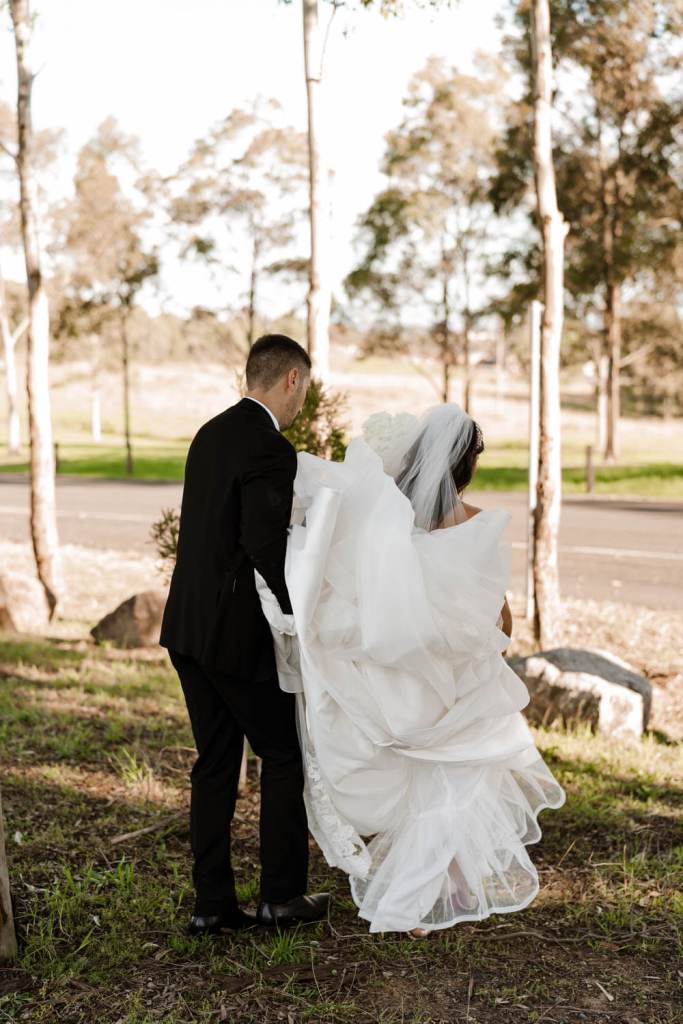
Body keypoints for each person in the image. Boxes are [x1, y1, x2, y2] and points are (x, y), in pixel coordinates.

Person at [257, 403, 566, 936]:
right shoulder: (474, 524)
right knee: (456, 785)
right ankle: (405, 905)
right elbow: (499, 613)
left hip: (398, 680)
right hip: (453, 678)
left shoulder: (385, 517)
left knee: (437, 786)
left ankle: (449, 884)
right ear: (466, 466)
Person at [160, 334, 330, 935]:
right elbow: (264, 545)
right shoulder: (269, 447)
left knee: (214, 762)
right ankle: (281, 898)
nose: (301, 405)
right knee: (283, 755)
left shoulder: (209, 433)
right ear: (290, 380)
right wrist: (301, 611)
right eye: (303, 391)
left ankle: (211, 905)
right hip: (234, 637)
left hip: (186, 626)